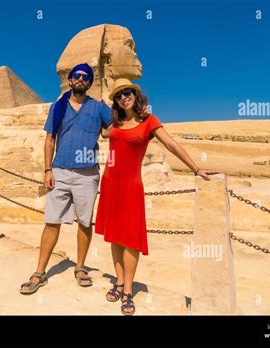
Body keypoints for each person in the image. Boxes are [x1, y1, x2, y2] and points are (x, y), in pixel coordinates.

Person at [95, 78, 220, 315]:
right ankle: (119, 281)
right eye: (119, 95)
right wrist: (99, 105)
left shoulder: (149, 121)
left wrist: (195, 168)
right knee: (115, 236)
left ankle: (128, 291)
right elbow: (103, 134)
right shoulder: (115, 123)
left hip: (131, 186)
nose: (124, 97)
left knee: (130, 239)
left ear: (136, 94)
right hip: (110, 184)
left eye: (128, 92)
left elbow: (171, 144)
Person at [19, 63, 113, 294]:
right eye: (77, 76)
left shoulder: (98, 108)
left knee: (85, 221)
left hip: (87, 173)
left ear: (90, 83)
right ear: (70, 80)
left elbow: (111, 131)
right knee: (52, 221)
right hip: (60, 171)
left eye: (85, 77)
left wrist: (112, 109)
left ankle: (80, 268)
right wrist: (47, 170)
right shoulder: (58, 107)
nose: (81, 79)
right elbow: (50, 139)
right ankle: (39, 272)